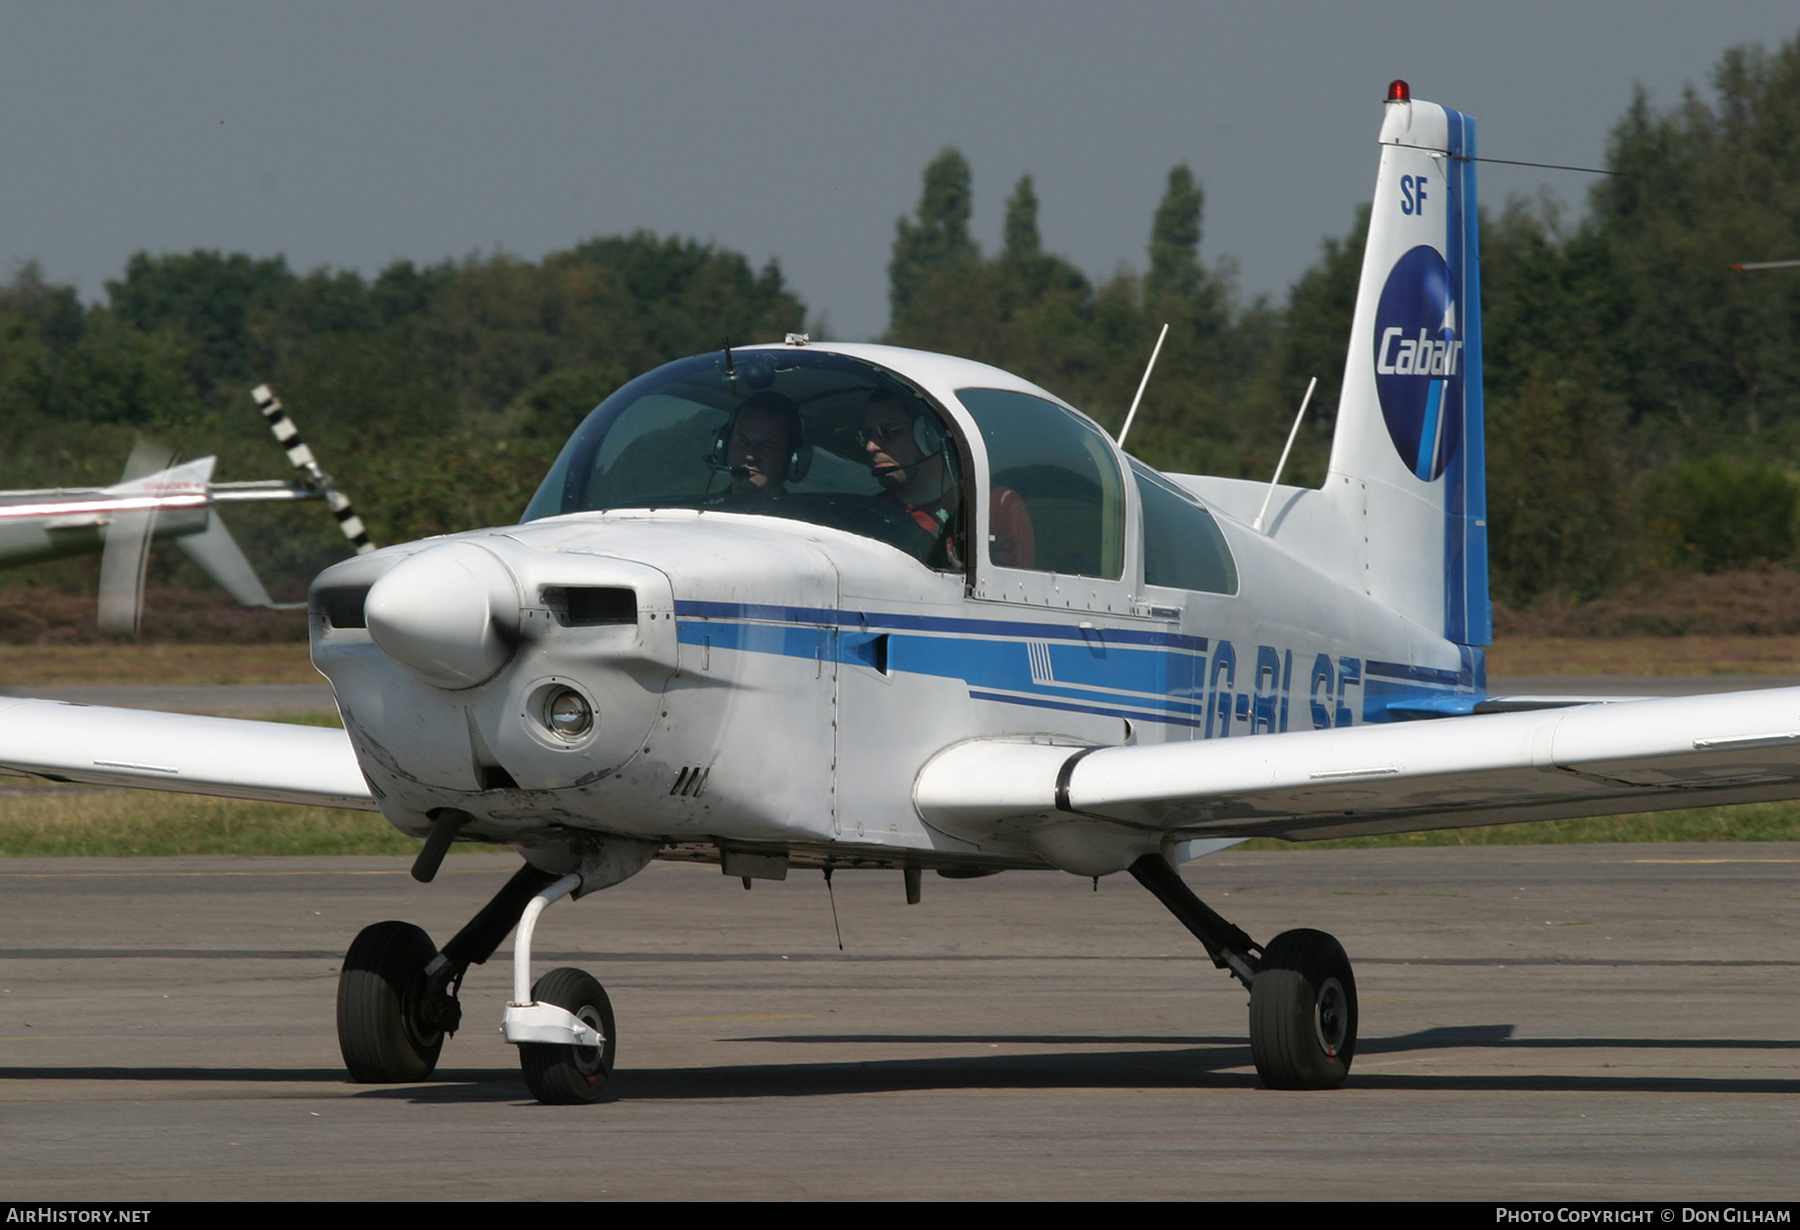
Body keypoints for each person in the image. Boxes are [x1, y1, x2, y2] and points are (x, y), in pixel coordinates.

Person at [859, 391, 1035, 568]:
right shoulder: (872, 513)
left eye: (886, 432)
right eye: (868, 435)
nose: (871, 446)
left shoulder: (991, 507)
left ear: (927, 436)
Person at [717, 391, 805, 499]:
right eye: (742, 442)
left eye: (766, 447)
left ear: (790, 459)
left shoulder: (801, 515)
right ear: (726, 446)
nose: (750, 456)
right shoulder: (698, 511)